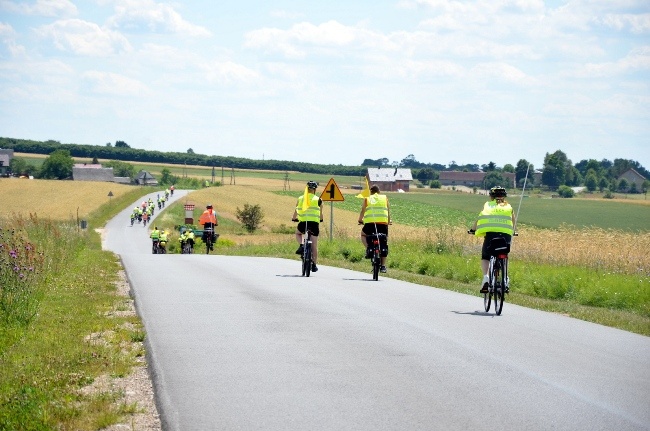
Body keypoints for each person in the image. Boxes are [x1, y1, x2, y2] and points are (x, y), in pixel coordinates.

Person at [471, 186, 515, 293]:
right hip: (506, 236)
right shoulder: (509, 207)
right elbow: (514, 222)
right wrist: (514, 231)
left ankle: (486, 278)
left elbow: (479, 218)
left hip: (491, 236)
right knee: (504, 255)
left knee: (486, 256)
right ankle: (505, 279)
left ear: (491, 196)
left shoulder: (488, 205)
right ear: (504, 197)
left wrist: (472, 229)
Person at [358, 184, 391, 273]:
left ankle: (369, 248)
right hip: (383, 224)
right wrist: (388, 221)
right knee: (384, 242)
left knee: (363, 235)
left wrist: (360, 220)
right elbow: (388, 211)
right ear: (379, 192)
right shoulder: (384, 198)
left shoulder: (367, 199)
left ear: (371, 192)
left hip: (370, 224)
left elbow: (362, 211)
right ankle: (383, 266)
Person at [291, 180, 324, 272]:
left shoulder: (301, 198)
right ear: (315, 189)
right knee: (314, 245)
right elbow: (321, 214)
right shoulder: (319, 200)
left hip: (303, 223)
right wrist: (320, 219)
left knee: (298, 233)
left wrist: (294, 218)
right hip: (314, 224)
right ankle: (314, 264)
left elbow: (296, 210)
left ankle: (301, 245)